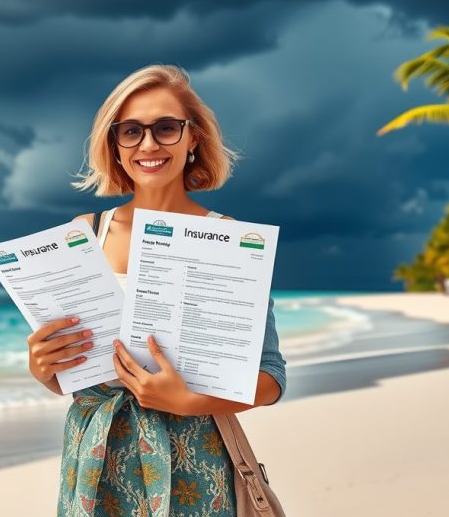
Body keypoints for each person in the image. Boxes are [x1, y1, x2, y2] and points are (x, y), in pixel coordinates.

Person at [26, 64, 287, 516]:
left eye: (166, 128)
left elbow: (270, 378)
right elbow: (70, 375)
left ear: (193, 138)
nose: (148, 145)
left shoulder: (230, 239)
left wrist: (187, 400)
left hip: (192, 458)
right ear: (115, 144)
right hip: (93, 457)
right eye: (131, 131)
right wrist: (43, 367)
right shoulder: (82, 234)